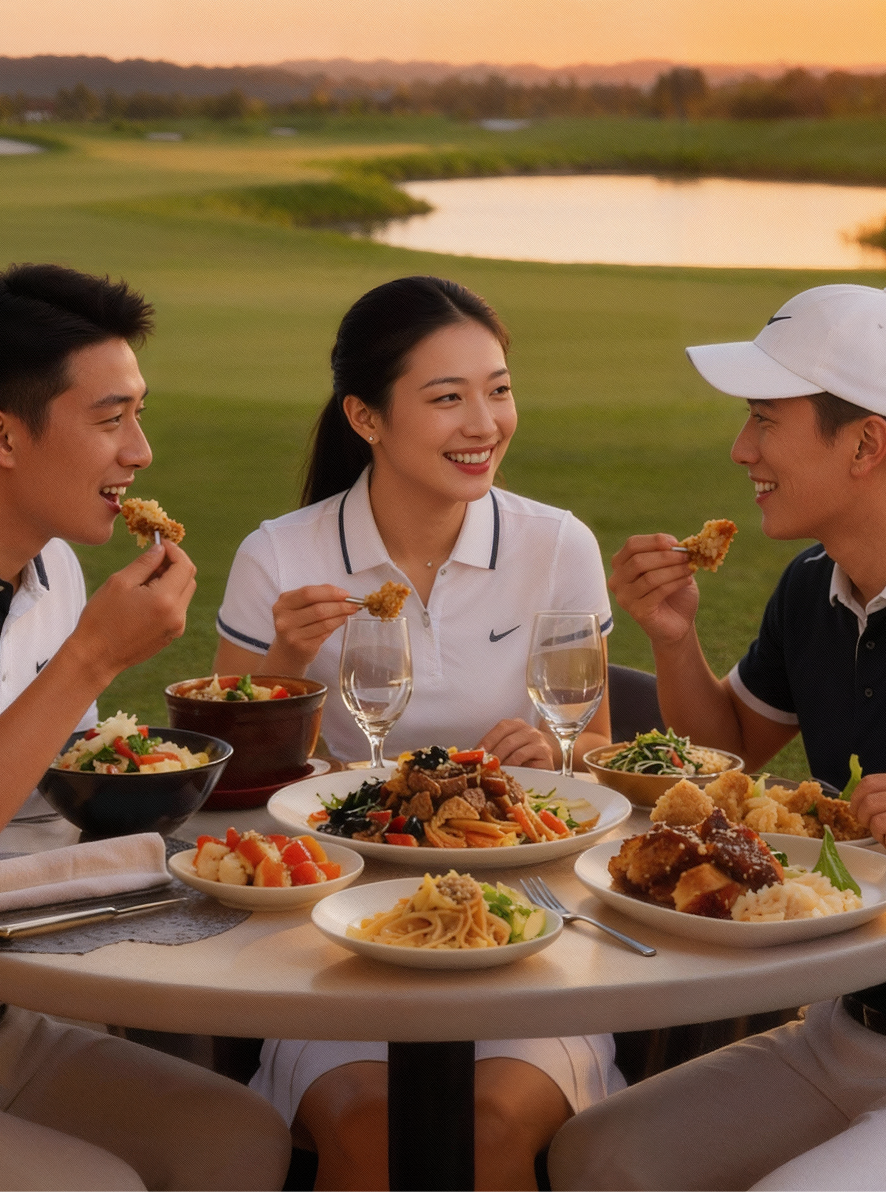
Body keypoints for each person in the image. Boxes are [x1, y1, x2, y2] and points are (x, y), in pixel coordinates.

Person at [215, 274, 623, 1192]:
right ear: (365, 416)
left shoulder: (559, 545)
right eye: (447, 398)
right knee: (368, 1129)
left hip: (529, 925)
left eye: (498, 388)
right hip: (329, 939)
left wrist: (552, 753)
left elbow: (596, 751)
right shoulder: (279, 555)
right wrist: (281, 658)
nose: (484, 422)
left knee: (481, 1132)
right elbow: (232, 784)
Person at [548, 282, 886, 1192]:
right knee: (597, 1158)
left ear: (866, 442)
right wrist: (671, 634)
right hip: (853, 1024)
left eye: (765, 422)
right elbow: (731, 743)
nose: (743, 450)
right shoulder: (813, 585)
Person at [0, 264, 292, 1192]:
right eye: (109, 418)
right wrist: (91, 659)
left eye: (140, 413)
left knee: (235, 1138)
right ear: (5, 435)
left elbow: (55, 787)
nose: (142, 452)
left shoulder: (56, 575)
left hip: (14, 1001)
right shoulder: (78, 625)